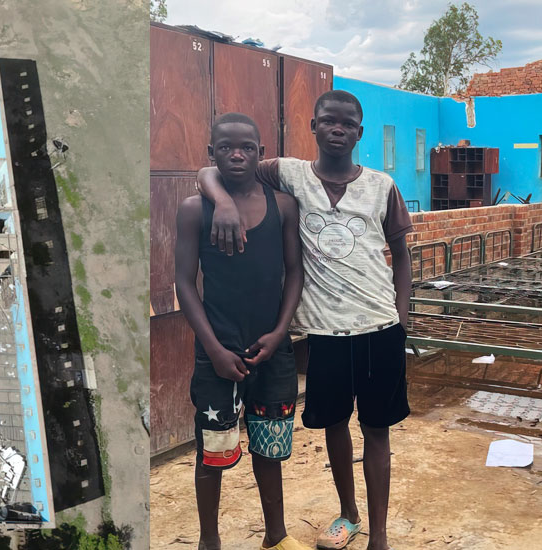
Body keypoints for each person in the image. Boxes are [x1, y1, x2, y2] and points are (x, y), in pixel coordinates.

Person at [199, 89, 414, 550]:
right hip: (326, 333)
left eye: (348, 123)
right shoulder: (289, 174)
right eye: (328, 121)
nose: (338, 129)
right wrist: (221, 201)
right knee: (334, 425)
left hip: (379, 328)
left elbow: (401, 254)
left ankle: (379, 535)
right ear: (313, 126)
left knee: (376, 430)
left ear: (360, 132)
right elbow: (211, 168)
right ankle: (348, 515)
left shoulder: (382, 185)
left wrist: (401, 312)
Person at [175, 112, 311, 550]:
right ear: (210, 153)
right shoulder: (195, 210)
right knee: (211, 453)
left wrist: (281, 332)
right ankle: (208, 540)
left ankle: (276, 535)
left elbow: (295, 273)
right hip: (218, 352)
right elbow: (183, 283)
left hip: (273, 350)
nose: (237, 154)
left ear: (261, 154)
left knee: (270, 451)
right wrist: (212, 348)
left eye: (247, 147)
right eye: (227, 147)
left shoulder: (284, 206)